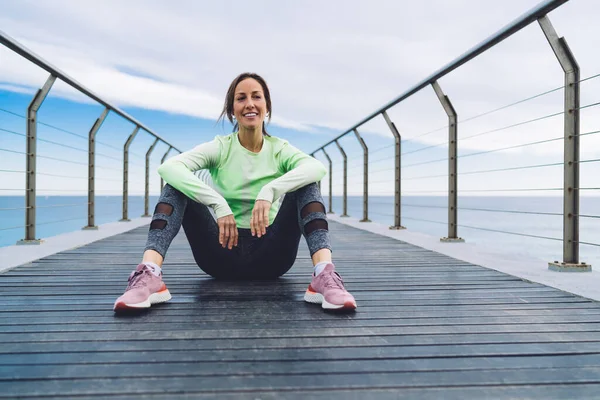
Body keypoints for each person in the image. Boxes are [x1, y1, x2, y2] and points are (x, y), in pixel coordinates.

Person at [113, 72, 357, 313]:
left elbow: (317, 167)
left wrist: (271, 189)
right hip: (220, 254)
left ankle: (324, 274)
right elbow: (169, 167)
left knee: (307, 183)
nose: (249, 103)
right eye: (241, 98)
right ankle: (149, 274)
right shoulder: (220, 147)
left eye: (256, 97)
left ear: (266, 107)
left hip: (272, 256)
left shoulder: (280, 149)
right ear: (232, 110)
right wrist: (217, 203)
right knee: (176, 185)